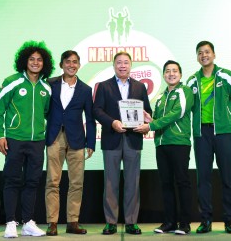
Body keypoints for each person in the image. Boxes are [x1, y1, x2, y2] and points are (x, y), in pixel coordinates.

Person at [0, 40, 55, 238]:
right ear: (24, 61)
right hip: (14, 139)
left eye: (39, 59)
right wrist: (0, 135)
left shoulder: (47, 87)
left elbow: (46, 113)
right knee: (12, 180)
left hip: (37, 141)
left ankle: (28, 222)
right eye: (31, 59)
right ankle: (11, 223)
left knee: (32, 181)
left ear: (44, 63)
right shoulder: (12, 81)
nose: (35, 62)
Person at [186, 41, 231, 234]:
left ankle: (229, 220)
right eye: (200, 53)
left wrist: (228, 118)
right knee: (203, 178)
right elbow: (186, 107)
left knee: (228, 176)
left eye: (207, 52)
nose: (204, 55)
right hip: (202, 134)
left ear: (214, 54)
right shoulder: (192, 80)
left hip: (224, 132)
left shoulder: (226, 75)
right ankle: (206, 220)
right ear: (197, 57)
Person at [93, 51, 152, 235]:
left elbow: (147, 111)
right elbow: (97, 110)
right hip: (112, 138)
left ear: (131, 65)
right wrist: (112, 122)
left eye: (126, 62)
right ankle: (110, 222)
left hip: (133, 139)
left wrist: (148, 118)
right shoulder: (103, 86)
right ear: (114, 65)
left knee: (132, 182)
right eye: (119, 62)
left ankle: (131, 222)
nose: (122, 65)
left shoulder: (140, 87)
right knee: (110, 181)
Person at [134, 60, 194, 235]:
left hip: (179, 143)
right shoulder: (160, 97)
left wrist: (151, 126)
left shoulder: (185, 91)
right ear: (164, 75)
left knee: (182, 182)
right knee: (166, 184)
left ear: (180, 74)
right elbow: (158, 122)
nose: (171, 74)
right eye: (167, 71)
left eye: (175, 71)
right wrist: (149, 120)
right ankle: (169, 222)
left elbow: (177, 113)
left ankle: (185, 224)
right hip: (161, 144)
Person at [44, 50, 96, 236]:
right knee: (52, 181)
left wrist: (91, 142)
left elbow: (90, 118)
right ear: (61, 64)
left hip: (77, 140)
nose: (71, 65)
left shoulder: (85, 89)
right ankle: (52, 223)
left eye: (75, 62)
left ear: (79, 65)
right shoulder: (50, 84)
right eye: (68, 62)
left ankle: (72, 222)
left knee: (76, 183)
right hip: (54, 137)